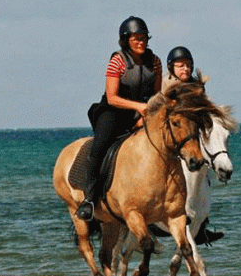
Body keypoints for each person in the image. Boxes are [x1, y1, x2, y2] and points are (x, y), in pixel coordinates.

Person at [75, 16, 162, 221]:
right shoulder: (117, 61)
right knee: (101, 145)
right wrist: (139, 107)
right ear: (126, 40)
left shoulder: (155, 62)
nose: (141, 42)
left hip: (142, 113)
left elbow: (157, 96)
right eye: (136, 38)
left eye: (144, 38)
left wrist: (149, 114)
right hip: (113, 111)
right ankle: (90, 199)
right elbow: (113, 97)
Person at [163, 45, 224, 244]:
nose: (185, 69)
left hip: (191, 136)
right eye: (180, 65)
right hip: (171, 135)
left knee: (204, 173)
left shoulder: (197, 86)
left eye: (188, 65)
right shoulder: (165, 85)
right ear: (172, 68)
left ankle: (201, 224)